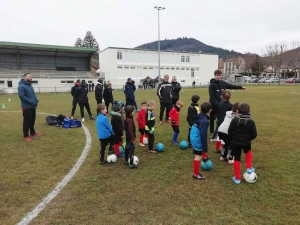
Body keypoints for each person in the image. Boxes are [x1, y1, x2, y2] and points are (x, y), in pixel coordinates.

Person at [209, 69, 246, 136]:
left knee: (222, 118)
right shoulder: (212, 85)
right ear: (214, 75)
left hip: (222, 105)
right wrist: (217, 105)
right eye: (217, 75)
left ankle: (222, 130)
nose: (218, 77)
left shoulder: (223, 83)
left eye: (220, 75)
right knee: (212, 118)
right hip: (214, 105)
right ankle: (212, 132)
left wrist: (240, 87)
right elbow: (212, 97)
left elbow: (231, 86)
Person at [228, 102, 257, 184]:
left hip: (236, 142)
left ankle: (237, 178)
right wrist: (248, 138)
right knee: (248, 152)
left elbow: (230, 131)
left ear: (237, 111)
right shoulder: (251, 121)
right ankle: (249, 167)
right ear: (250, 110)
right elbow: (254, 134)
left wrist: (234, 138)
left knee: (237, 158)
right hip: (246, 142)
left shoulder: (234, 120)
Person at [190, 102, 212, 180]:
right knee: (197, 156)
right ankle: (195, 174)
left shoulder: (200, 115)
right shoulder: (205, 121)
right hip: (196, 138)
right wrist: (205, 148)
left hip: (193, 135)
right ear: (210, 110)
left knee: (199, 150)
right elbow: (203, 135)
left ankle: (205, 157)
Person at [18, 73, 40, 141]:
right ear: (24, 77)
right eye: (29, 76)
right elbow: (22, 96)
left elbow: (33, 95)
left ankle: (32, 132)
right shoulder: (21, 86)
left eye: (31, 76)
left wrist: (36, 100)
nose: (31, 77)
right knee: (27, 121)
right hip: (26, 107)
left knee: (32, 120)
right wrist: (31, 102)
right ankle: (26, 135)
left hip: (33, 106)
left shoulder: (30, 86)